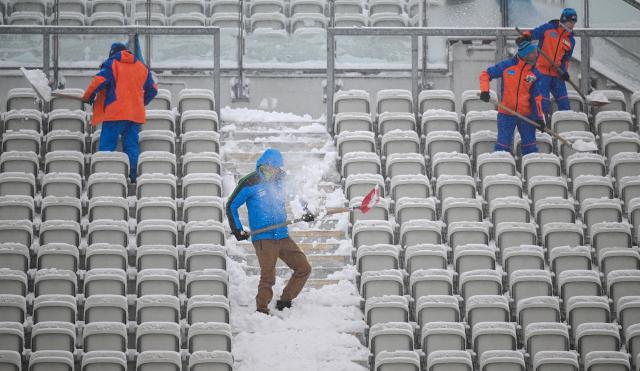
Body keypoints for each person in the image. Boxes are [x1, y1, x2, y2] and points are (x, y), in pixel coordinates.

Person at [227, 148, 314, 315]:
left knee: (303, 267)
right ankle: (262, 309)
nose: (277, 171)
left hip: (282, 234)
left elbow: (296, 195)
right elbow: (231, 204)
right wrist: (238, 229)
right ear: (265, 165)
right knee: (268, 276)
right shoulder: (250, 182)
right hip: (263, 237)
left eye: (279, 167)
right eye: (274, 167)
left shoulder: (282, 180)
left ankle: (285, 300)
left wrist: (306, 210)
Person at [82, 42, 158, 183]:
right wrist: (141, 102)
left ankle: (105, 175)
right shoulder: (141, 67)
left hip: (115, 113)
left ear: (112, 53)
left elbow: (98, 81)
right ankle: (133, 177)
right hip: (134, 114)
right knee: (131, 146)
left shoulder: (112, 64)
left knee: (107, 145)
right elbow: (153, 89)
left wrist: (88, 96)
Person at [479, 40, 548, 155]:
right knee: (502, 147)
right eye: (533, 52)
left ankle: (529, 170)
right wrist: (484, 91)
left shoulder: (535, 73)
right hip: (506, 113)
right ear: (525, 54)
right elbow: (485, 74)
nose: (536, 55)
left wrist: (539, 118)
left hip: (527, 116)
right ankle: (502, 171)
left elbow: (537, 98)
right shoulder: (507, 66)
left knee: (530, 150)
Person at [520, 7, 577, 113]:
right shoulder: (548, 28)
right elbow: (533, 33)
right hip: (541, 72)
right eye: (570, 21)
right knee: (543, 104)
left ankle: (565, 126)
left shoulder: (571, 40)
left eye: (574, 21)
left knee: (564, 104)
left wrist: (564, 72)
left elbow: (566, 60)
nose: (573, 24)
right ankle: (543, 127)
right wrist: (525, 37)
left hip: (557, 73)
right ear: (564, 20)